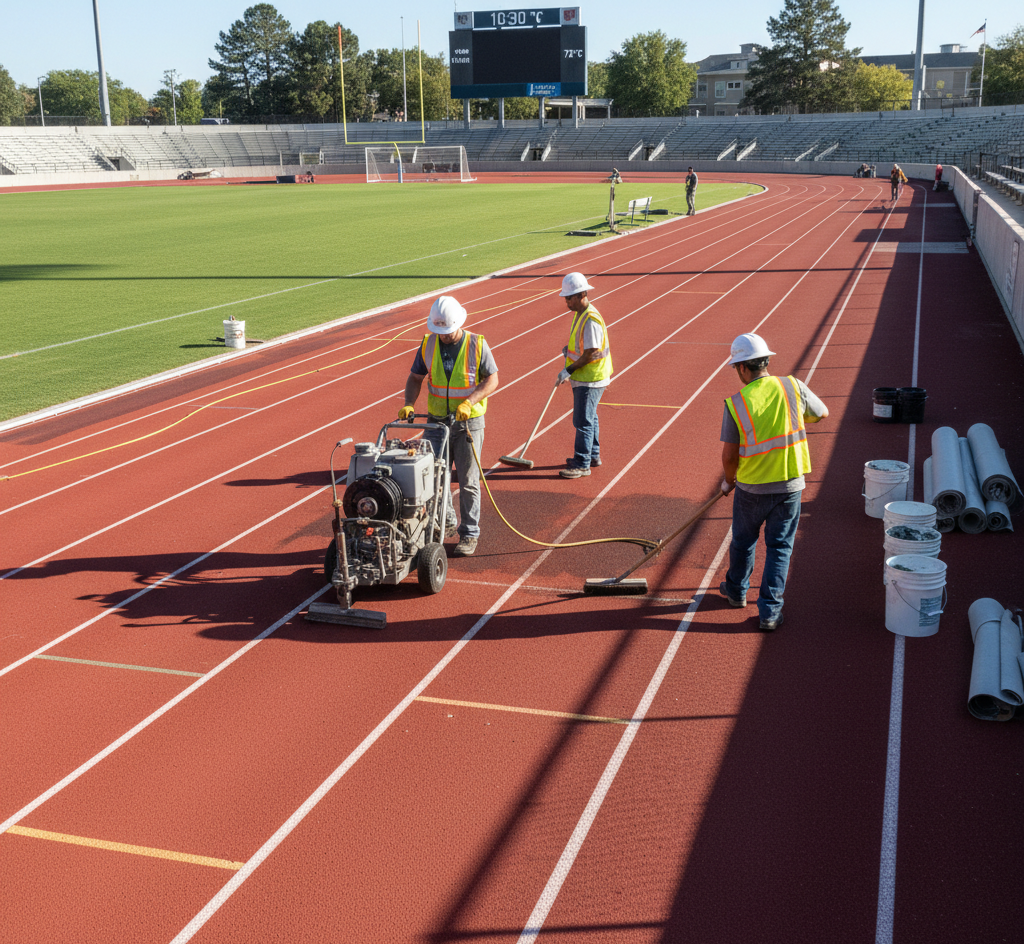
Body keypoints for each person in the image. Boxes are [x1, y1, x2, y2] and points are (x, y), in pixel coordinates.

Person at [719, 333, 829, 631]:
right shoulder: (792, 386)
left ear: (742, 367)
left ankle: (736, 591)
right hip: (790, 485)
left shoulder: (736, 403)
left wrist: (728, 481)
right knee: (780, 548)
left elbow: (730, 456)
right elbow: (821, 413)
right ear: (766, 361)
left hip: (752, 488)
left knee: (743, 541)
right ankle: (769, 612)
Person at [399, 296, 499, 557]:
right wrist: (409, 403)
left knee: (467, 481)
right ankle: (446, 522)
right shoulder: (428, 344)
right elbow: (415, 377)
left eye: (447, 331)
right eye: (438, 331)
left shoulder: (477, 344)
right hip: (436, 422)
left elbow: (492, 379)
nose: (442, 336)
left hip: (468, 423)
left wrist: (470, 401)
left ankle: (469, 534)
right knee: (434, 479)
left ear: (458, 323)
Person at [556, 272, 612, 479]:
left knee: (583, 420)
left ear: (581, 295)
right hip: (588, 377)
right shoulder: (581, 314)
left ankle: (582, 463)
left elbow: (590, 353)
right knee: (590, 417)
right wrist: (568, 351)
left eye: (569, 297)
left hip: (591, 378)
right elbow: (582, 347)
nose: (566, 302)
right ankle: (593, 455)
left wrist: (568, 370)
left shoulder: (590, 319)